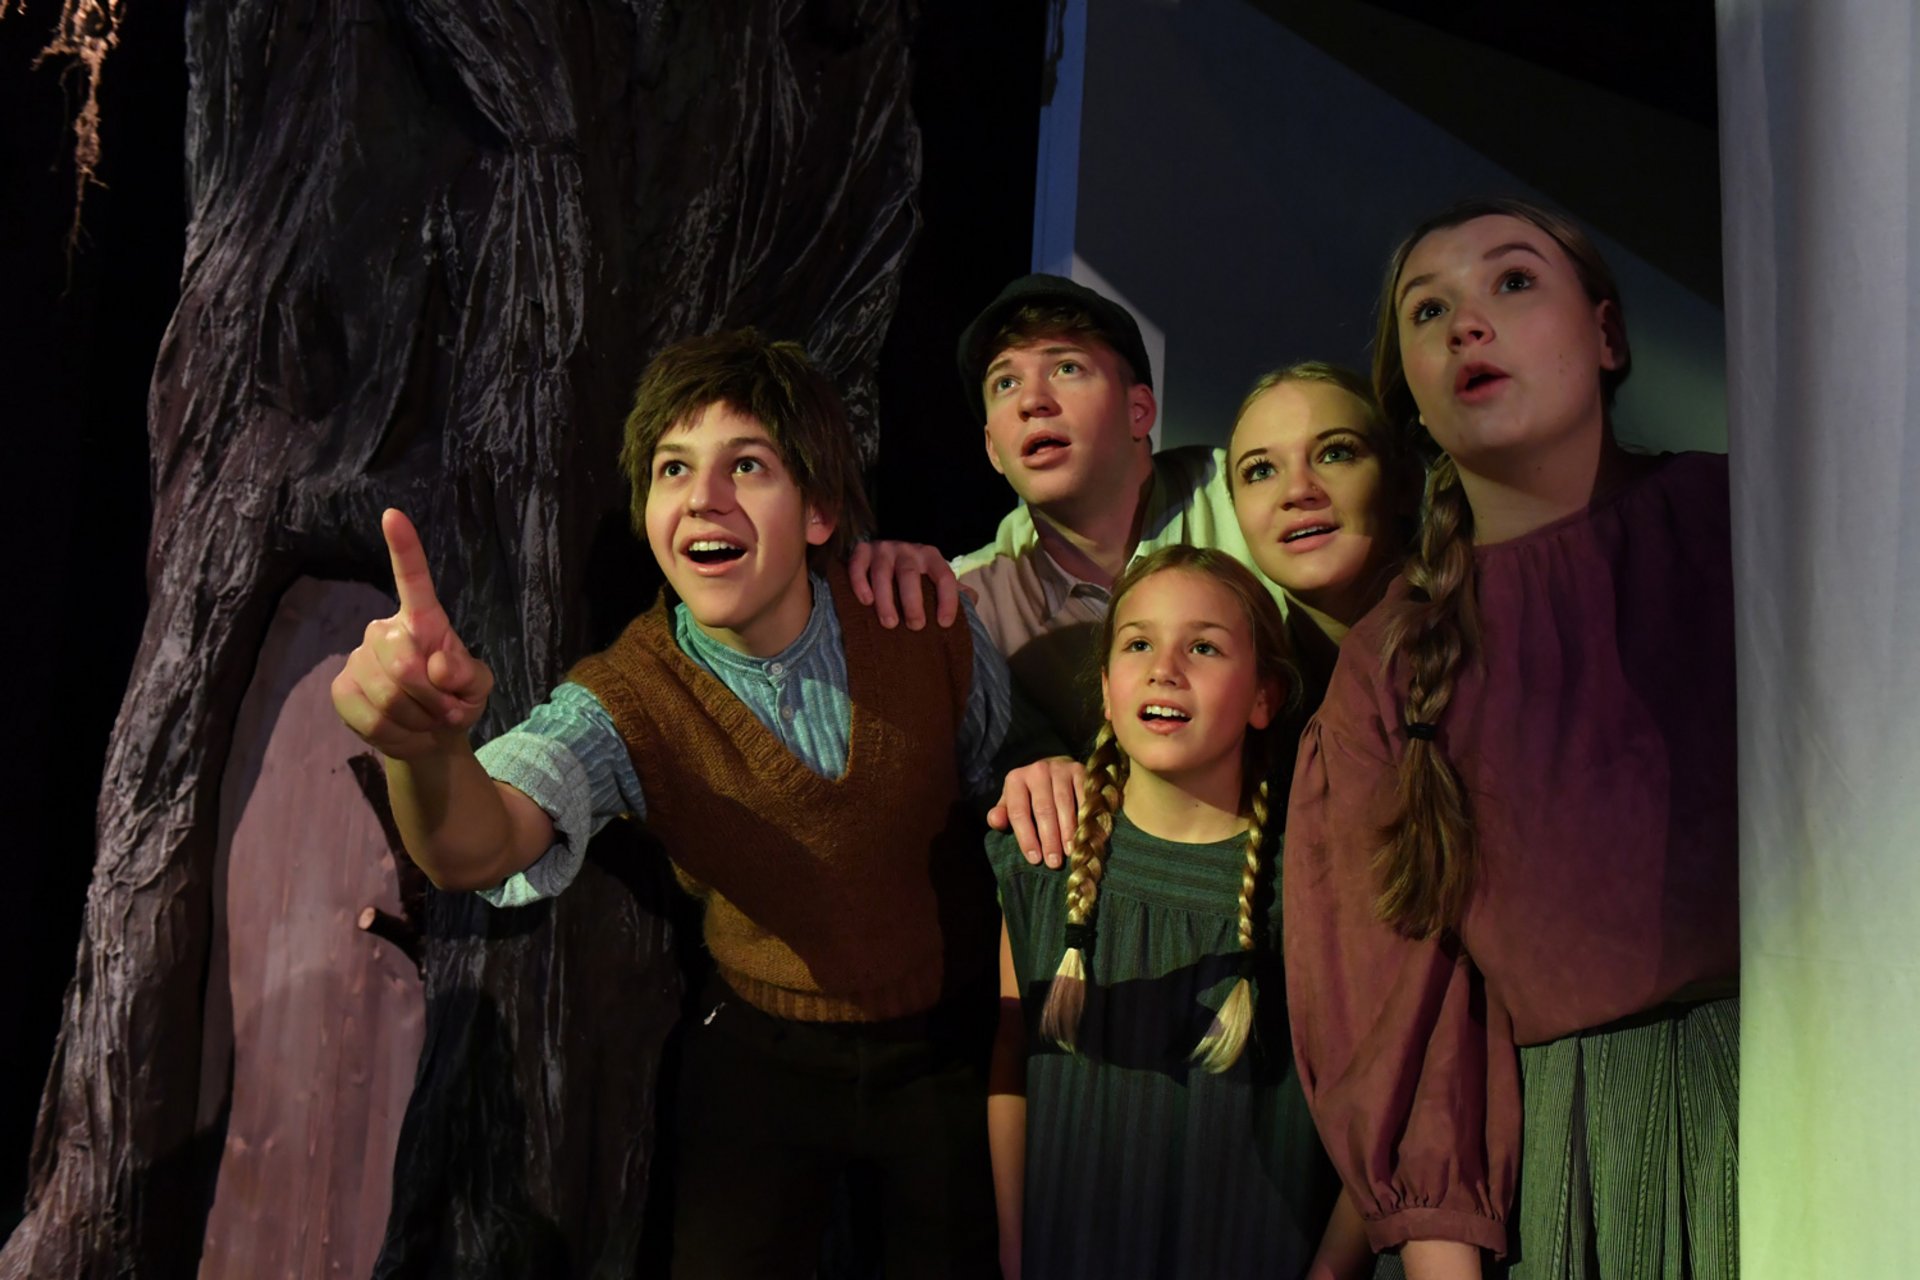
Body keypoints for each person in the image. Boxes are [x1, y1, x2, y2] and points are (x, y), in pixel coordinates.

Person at [330, 329, 1012, 1278]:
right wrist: (426, 747)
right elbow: (476, 848)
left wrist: (1046, 773)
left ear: (819, 510)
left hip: (940, 1044)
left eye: (747, 465)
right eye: (673, 468)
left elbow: (1006, 782)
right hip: (760, 1055)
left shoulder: (919, 620)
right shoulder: (629, 697)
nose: (702, 497)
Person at [1284, 199, 1738, 1278]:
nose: (1466, 325)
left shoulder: (1738, 524)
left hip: (1825, 1081)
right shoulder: (1390, 663)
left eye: (1514, 281)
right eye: (1427, 310)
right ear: (1410, 393)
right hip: (1575, 1164)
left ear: (1607, 334)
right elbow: (1405, 1013)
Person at [986, 545, 1375, 1280]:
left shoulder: (1315, 889)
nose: (1164, 668)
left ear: (1264, 697)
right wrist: (1014, 1253)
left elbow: (1380, 1108)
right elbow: (1010, 1061)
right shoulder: (1041, 861)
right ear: (1107, 691)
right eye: (1138, 644)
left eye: (1203, 647)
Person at [1001, 361, 1421, 867]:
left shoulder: (1470, 656)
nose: (1298, 491)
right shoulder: (1251, 692)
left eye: (1336, 453)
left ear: (1404, 483)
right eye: (1261, 471)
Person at [952, 273, 1277, 760]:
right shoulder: (974, 599)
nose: (1031, 401)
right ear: (992, 449)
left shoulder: (1243, 498)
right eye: (1005, 382)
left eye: (1067, 368)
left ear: (1138, 410)